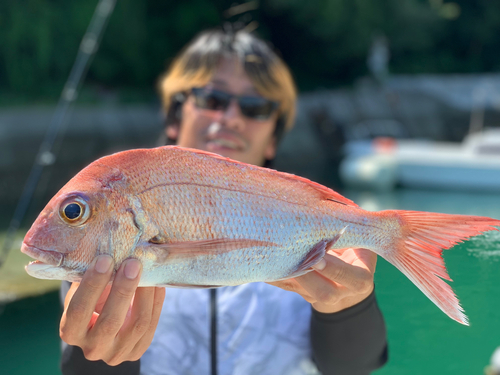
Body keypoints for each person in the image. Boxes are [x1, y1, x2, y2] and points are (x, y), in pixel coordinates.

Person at [59, 29, 388, 375]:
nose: (230, 118)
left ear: (273, 138)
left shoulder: (310, 228)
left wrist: (349, 308)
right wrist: (98, 355)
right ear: (176, 116)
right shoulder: (109, 231)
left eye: (255, 107)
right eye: (212, 100)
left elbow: (354, 367)